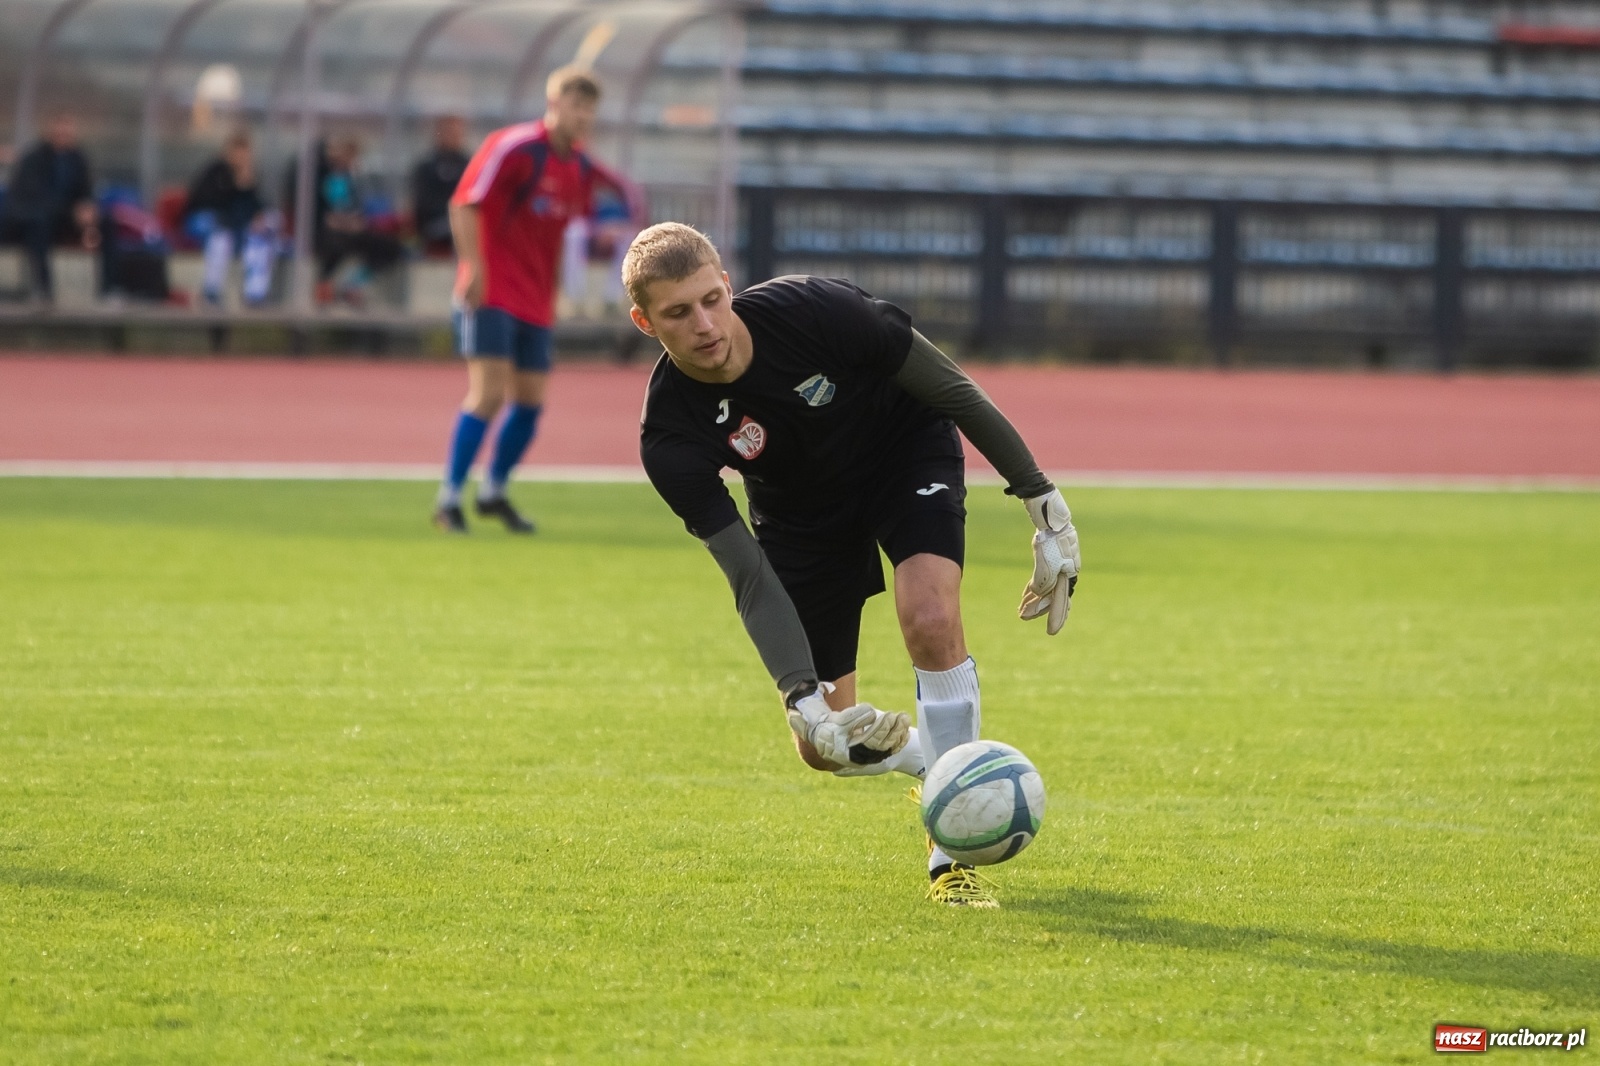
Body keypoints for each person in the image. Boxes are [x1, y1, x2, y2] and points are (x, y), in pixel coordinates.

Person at [626, 223, 1081, 908]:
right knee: (823, 747)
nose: (706, 324)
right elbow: (748, 574)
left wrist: (1042, 501)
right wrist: (800, 699)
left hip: (902, 452)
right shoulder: (669, 435)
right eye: (678, 313)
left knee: (928, 615)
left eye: (713, 299)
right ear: (643, 322)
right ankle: (937, 761)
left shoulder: (815, 311)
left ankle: (949, 856)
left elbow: (952, 389)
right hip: (799, 516)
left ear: (727, 281)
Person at [432, 66, 640, 533]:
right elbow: (464, 204)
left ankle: (493, 492)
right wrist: (475, 269)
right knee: (488, 394)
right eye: (575, 105)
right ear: (554, 104)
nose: (583, 115)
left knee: (530, 402)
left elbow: (582, 222)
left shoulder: (581, 167)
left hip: (536, 299)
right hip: (494, 291)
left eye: (590, 107)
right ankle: (448, 498)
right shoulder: (514, 147)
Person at [0, 112, 98, 305]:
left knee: (109, 222)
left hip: (66, 217)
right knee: (39, 224)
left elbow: (86, 191)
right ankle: (44, 288)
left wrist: (87, 210)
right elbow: (29, 195)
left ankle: (111, 288)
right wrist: (70, 209)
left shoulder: (78, 159)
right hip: (36, 215)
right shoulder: (34, 158)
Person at [302, 136, 403, 306]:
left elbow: (363, 209)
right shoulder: (324, 177)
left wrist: (361, 221)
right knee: (335, 245)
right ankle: (323, 284)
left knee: (389, 247)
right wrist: (346, 222)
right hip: (331, 230)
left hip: (355, 229)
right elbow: (325, 212)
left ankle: (353, 284)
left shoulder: (358, 179)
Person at [183, 128, 277, 306]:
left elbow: (254, 208)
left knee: (262, 235)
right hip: (205, 220)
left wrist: (249, 195)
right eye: (237, 151)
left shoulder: (250, 176)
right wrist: (235, 186)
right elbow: (207, 201)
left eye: (245, 152)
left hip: (234, 224)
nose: (241, 156)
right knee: (221, 235)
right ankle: (211, 292)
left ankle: (255, 293)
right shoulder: (216, 171)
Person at [410, 115, 469, 254]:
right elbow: (422, 202)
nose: (452, 136)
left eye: (455, 133)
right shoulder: (426, 166)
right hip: (436, 223)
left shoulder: (469, 164)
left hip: (464, 221)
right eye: (447, 132)